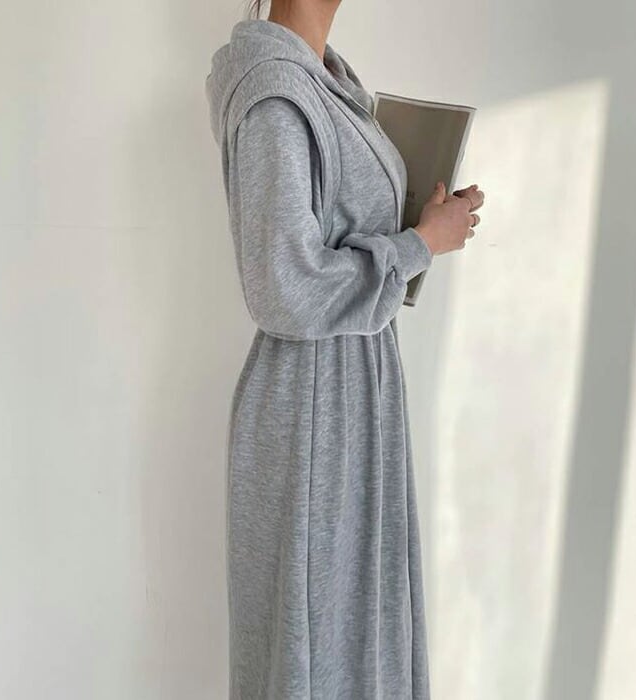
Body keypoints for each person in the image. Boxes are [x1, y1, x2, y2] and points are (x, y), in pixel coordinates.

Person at [205, 2, 485, 698]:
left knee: (352, 625)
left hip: (349, 393)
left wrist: (421, 227)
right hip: (312, 407)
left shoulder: (326, 79)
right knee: (321, 637)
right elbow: (282, 287)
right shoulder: (275, 94)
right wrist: (420, 244)